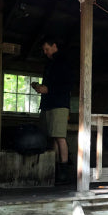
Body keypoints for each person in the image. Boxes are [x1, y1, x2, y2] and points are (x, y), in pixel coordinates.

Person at [32, 37, 72, 184]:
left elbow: (67, 86)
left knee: (60, 137)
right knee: (53, 137)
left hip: (60, 104)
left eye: (46, 49)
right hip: (48, 104)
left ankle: (64, 173)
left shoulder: (64, 62)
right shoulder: (49, 63)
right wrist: (39, 87)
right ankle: (54, 170)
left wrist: (48, 89)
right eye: (44, 50)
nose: (45, 52)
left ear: (54, 46)